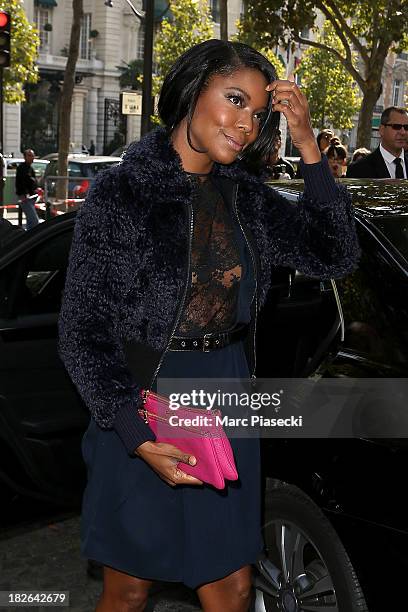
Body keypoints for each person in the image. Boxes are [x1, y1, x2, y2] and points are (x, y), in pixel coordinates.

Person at [58, 40, 360, 612]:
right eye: (235, 101)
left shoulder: (245, 197)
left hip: (225, 396)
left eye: (257, 114)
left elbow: (334, 253)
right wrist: (135, 433)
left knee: (233, 586)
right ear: (194, 92)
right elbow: (82, 331)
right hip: (142, 400)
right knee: (128, 589)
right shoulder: (122, 195)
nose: (246, 125)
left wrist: (307, 146)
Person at [347, 107, 408, 178]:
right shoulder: (358, 169)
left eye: (407, 127)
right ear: (381, 130)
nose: (403, 132)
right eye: (396, 126)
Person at [15, 149, 40, 230]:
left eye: (33, 155)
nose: (32, 157)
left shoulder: (30, 168)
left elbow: (32, 182)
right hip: (25, 198)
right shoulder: (21, 168)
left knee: (30, 222)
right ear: (25, 157)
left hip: (31, 198)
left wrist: (36, 189)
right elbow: (21, 182)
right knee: (34, 221)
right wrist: (23, 195)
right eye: (29, 155)